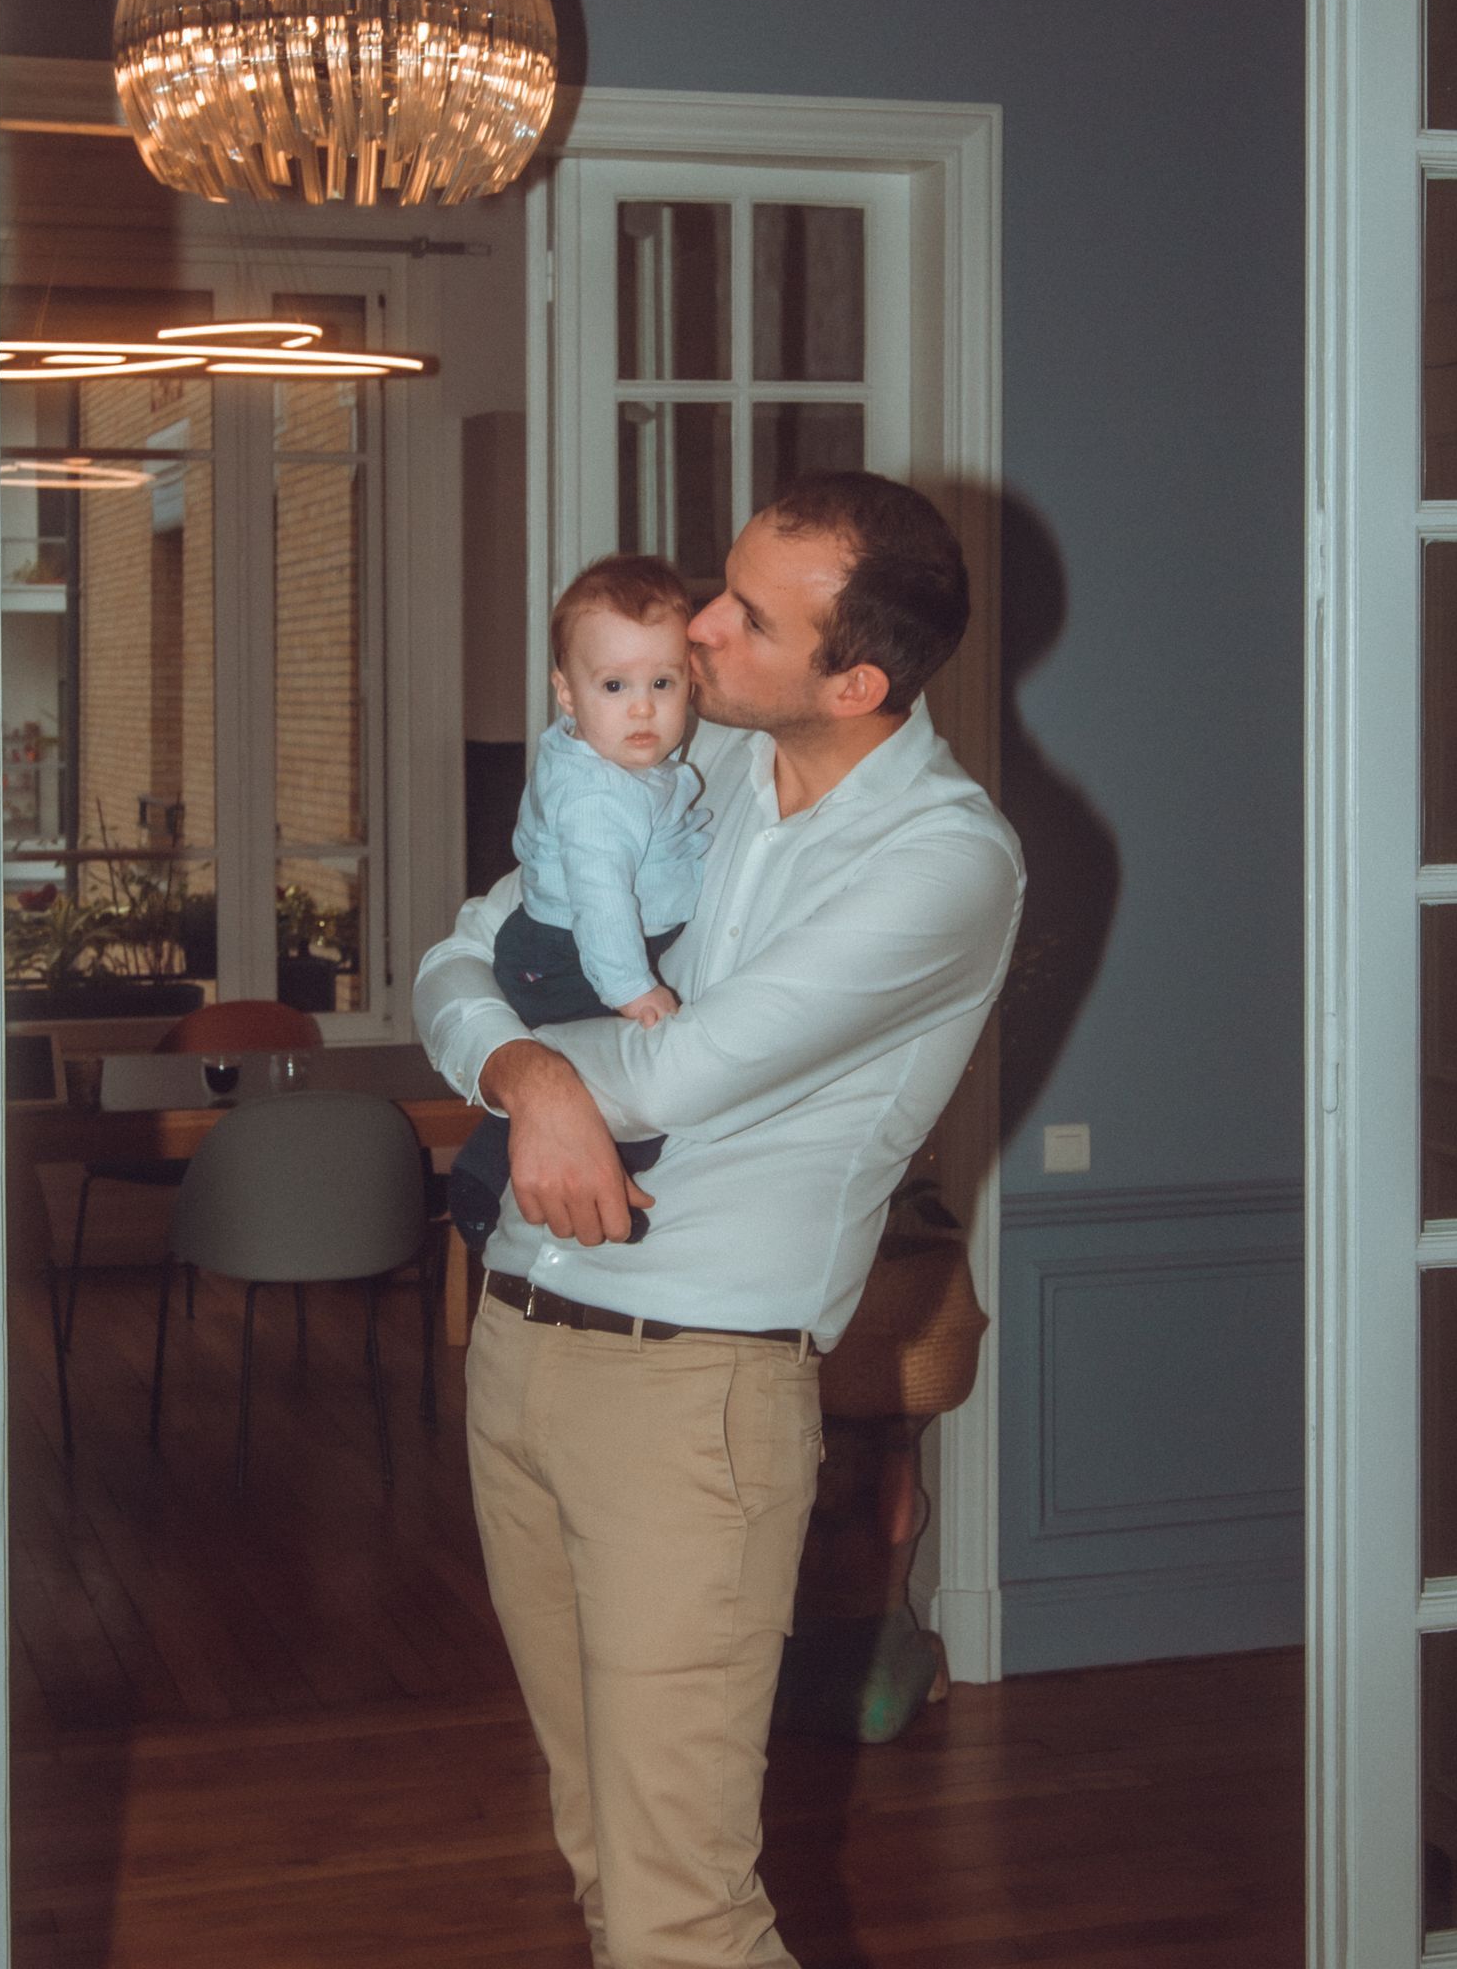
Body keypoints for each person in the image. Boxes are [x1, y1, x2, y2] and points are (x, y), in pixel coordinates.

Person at [414, 471, 1025, 1969]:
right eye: (721, 584)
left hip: (693, 1401)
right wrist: (519, 1066)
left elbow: (683, 1070)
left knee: (684, 1906)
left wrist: (547, 1075)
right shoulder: (685, 764)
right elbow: (459, 956)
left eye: (749, 617)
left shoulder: (942, 863)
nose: (698, 627)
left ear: (857, 678)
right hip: (516, 1346)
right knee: (602, 1855)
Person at [446, 551, 711, 1253]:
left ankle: (501, 1170)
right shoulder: (598, 794)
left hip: (572, 943)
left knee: (601, 1090)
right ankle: (496, 1178)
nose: (644, 708)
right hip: (571, 956)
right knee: (630, 1103)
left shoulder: (621, 761)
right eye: (615, 685)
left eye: (663, 681)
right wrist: (633, 989)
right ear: (567, 695)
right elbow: (601, 900)